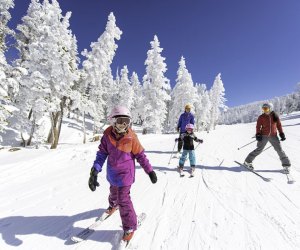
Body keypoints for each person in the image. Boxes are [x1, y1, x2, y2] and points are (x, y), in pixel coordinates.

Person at [88, 106, 157, 242]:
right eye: (120, 121)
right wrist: (95, 170)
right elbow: (101, 154)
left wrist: (150, 171)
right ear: (113, 121)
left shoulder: (132, 137)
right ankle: (113, 204)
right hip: (113, 174)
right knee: (113, 192)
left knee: (123, 200)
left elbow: (141, 156)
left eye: (126, 121)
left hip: (126, 175)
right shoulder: (107, 136)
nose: (123, 125)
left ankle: (130, 226)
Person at [244, 103, 291, 173]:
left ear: (270, 108)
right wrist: (258, 134)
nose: (264, 110)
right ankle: (247, 161)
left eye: (266, 108)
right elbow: (258, 126)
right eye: (263, 109)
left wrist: (281, 133)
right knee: (259, 149)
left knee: (279, 150)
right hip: (264, 136)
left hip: (273, 136)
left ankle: (286, 165)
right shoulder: (261, 117)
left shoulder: (275, 116)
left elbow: (279, 125)